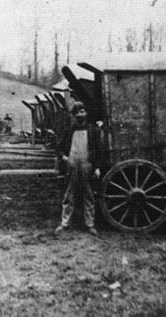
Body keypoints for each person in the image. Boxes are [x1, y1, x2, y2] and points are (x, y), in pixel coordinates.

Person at [54, 101, 106, 236]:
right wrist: (64, 158)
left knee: (88, 195)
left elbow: (99, 151)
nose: (79, 115)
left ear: (86, 113)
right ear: (73, 115)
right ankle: (65, 223)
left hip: (87, 165)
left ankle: (90, 225)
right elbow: (59, 148)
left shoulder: (93, 131)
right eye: (76, 113)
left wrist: (97, 167)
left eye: (82, 112)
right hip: (71, 166)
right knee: (68, 195)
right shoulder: (69, 131)